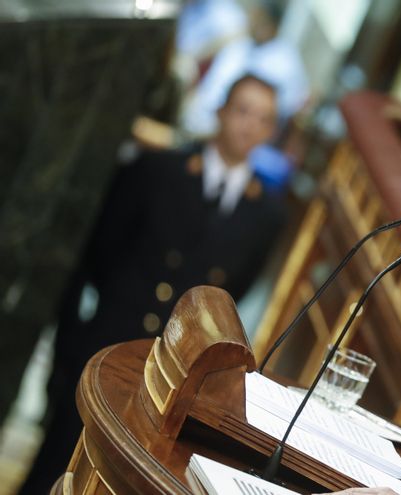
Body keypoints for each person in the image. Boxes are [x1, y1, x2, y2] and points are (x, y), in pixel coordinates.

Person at [18, 75, 288, 494]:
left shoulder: (267, 214)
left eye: (263, 119)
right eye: (242, 110)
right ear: (220, 112)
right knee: (58, 467)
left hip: (172, 376)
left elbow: (231, 292)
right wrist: (73, 343)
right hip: (110, 346)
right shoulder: (158, 170)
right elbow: (100, 254)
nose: (249, 125)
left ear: (270, 133)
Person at [181, 0, 309, 138]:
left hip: (236, 133)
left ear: (272, 25)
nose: (252, 20)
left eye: (259, 18)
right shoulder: (242, 42)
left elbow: (285, 108)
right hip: (199, 118)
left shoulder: (285, 61)